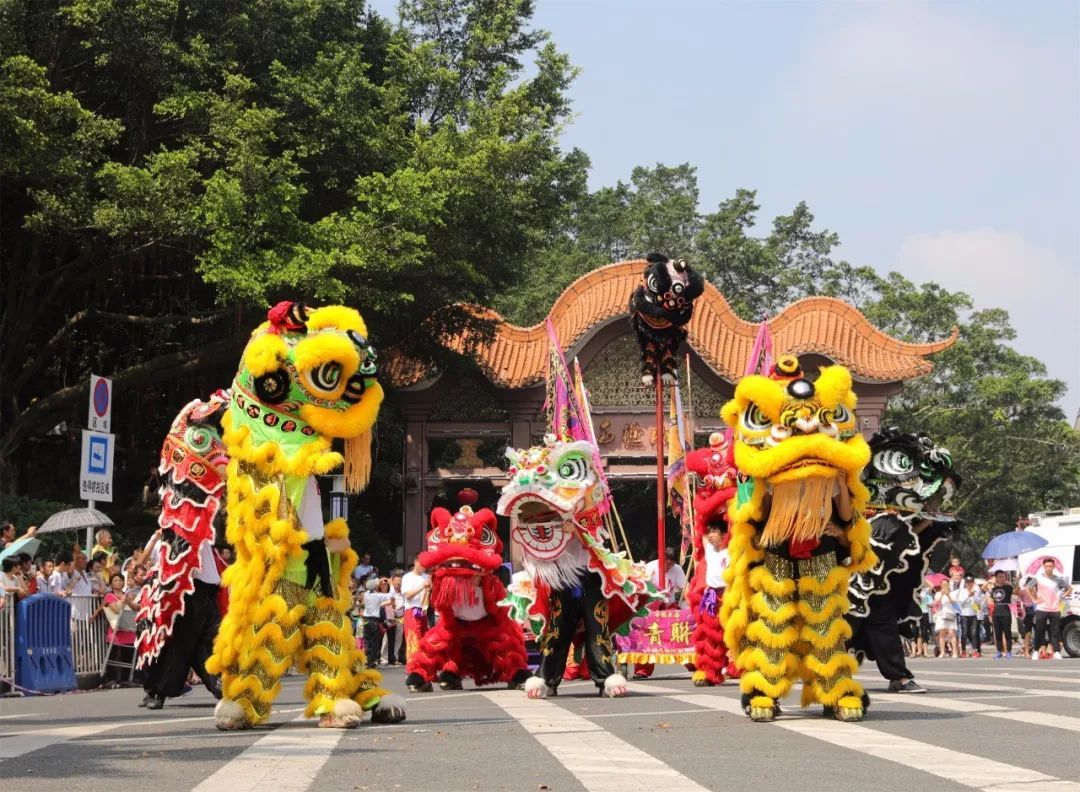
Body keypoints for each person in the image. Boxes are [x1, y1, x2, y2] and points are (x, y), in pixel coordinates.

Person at [97, 573, 138, 686]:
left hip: (129, 631)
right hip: (116, 632)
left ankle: (126, 680)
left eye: (120, 580)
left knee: (128, 656)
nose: (119, 582)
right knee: (114, 657)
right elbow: (115, 609)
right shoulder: (109, 596)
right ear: (111, 584)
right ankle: (111, 680)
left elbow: (136, 607)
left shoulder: (127, 595)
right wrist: (123, 600)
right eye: (116, 580)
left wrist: (128, 601)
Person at [1028, 557, 1074, 660]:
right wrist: (1034, 599)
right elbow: (1028, 588)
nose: (1049, 568)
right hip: (1042, 608)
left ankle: (1056, 652)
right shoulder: (1038, 578)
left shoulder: (1058, 579)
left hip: (1055, 608)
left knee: (1055, 631)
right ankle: (1036, 651)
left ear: (1053, 567)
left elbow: (1070, 588)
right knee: (1039, 630)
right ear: (1043, 567)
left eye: (1051, 566)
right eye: (1047, 566)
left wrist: (1062, 596)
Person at [399, 557, 430, 663]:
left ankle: (424, 668)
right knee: (413, 639)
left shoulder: (427, 577)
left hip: (424, 611)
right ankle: (413, 668)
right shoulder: (407, 577)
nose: (424, 567)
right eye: (422, 564)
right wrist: (422, 586)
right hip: (411, 611)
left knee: (424, 639)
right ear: (415, 562)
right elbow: (408, 595)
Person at [361, 578, 395, 668]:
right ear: (376, 587)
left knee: (367, 641)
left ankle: (367, 660)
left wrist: (376, 583)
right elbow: (391, 596)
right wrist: (390, 584)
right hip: (374, 621)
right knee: (374, 642)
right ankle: (371, 662)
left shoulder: (366, 594)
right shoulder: (378, 596)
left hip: (366, 620)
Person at [985, 570, 1016, 658]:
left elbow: (1016, 590)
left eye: (1003, 576)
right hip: (996, 613)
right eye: (999, 577)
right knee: (997, 633)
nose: (1001, 578)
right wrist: (990, 614)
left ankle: (1009, 651)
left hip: (1006, 613)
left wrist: (1009, 583)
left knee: (1007, 633)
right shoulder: (993, 588)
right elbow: (985, 591)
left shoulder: (1008, 587)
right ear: (996, 578)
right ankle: (999, 651)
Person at [954, 576, 984, 658]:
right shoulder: (962, 591)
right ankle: (963, 650)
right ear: (966, 584)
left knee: (973, 633)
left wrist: (973, 595)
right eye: (968, 583)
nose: (969, 584)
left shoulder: (976, 591)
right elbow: (960, 603)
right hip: (964, 615)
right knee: (964, 633)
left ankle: (975, 650)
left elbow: (978, 602)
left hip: (973, 615)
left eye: (971, 582)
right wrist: (968, 595)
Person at [932, 581, 959, 658]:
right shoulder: (938, 593)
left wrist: (948, 595)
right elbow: (936, 604)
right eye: (943, 584)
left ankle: (955, 652)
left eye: (946, 584)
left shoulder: (953, 593)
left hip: (950, 614)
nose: (944, 585)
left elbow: (954, 603)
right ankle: (942, 652)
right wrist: (942, 594)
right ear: (941, 585)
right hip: (941, 614)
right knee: (942, 634)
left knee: (952, 632)